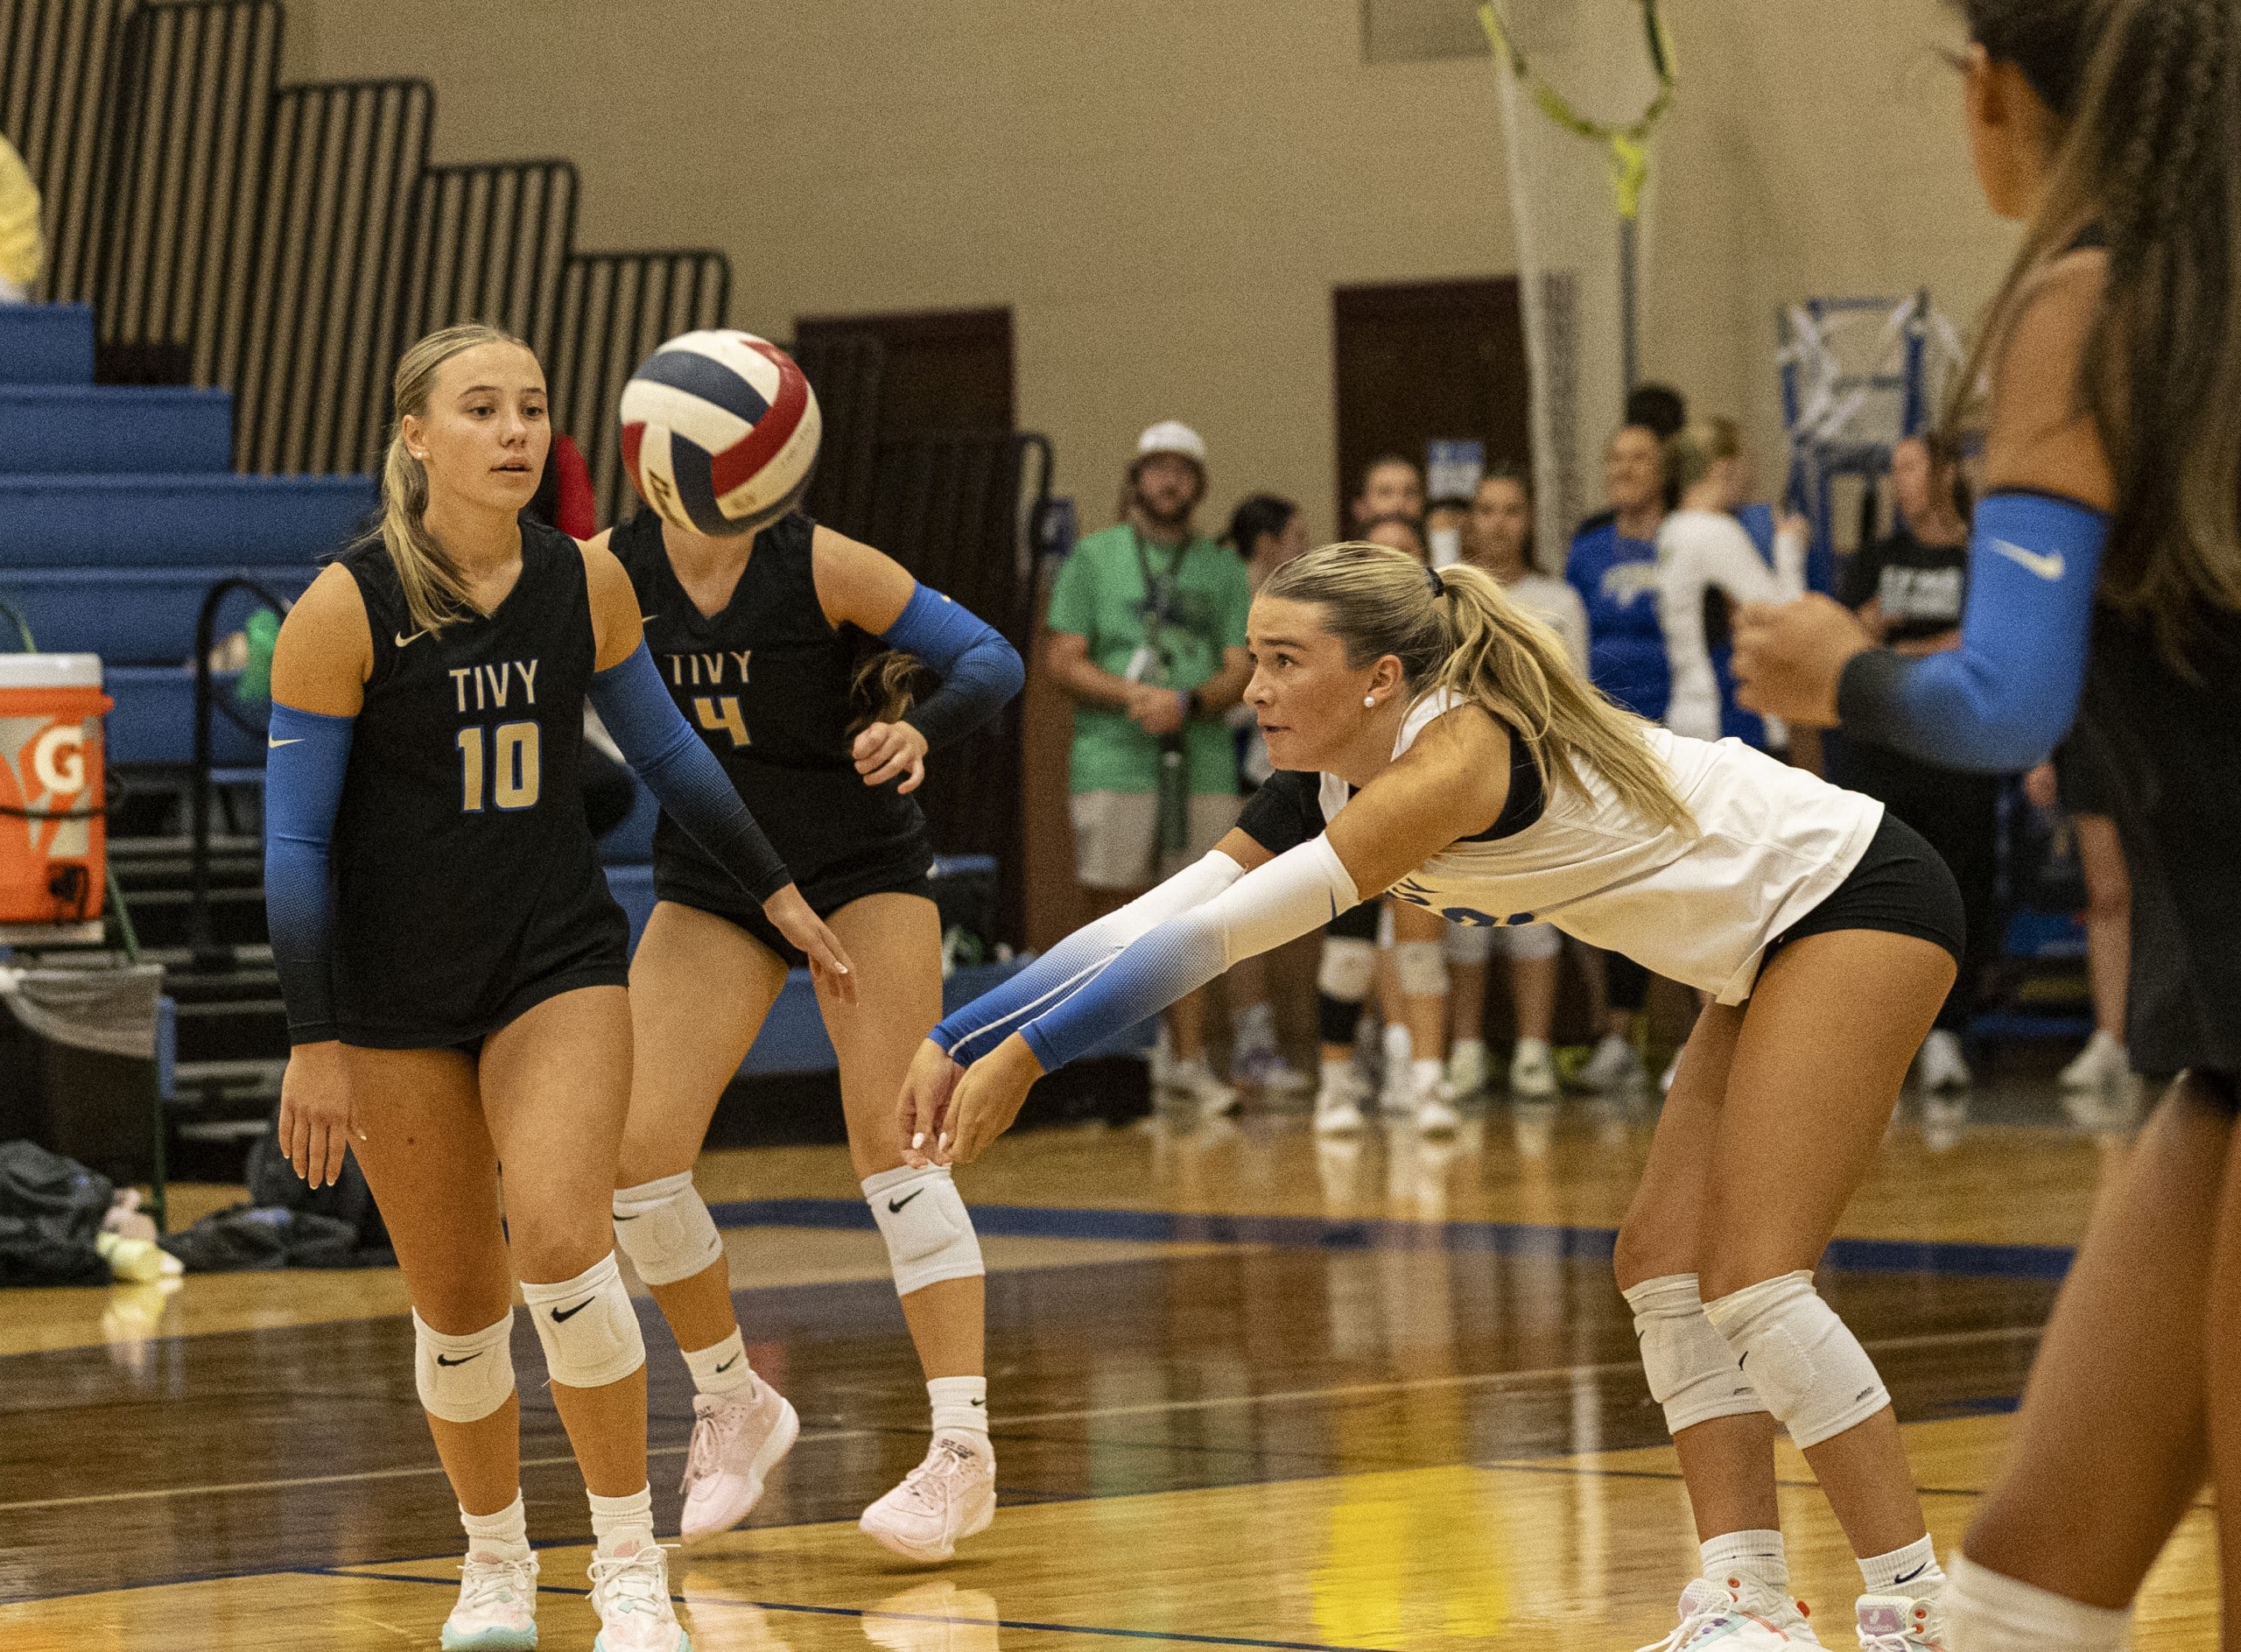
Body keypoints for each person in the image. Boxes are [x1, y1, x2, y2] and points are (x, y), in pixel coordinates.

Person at [906, 543, 1965, 1651]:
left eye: (1284, 660)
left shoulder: (1455, 757)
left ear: (1379, 678)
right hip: (1757, 943)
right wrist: (956, 1033)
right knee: (1661, 1265)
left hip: (1850, 895)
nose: (1253, 687)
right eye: (1252, 658)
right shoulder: (1321, 779)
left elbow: (1211, 942)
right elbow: (1149, 918)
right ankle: (1748, 1607)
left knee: (1752, 1279)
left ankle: (1919, 1612)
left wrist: (1028, 1056)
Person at [1732, 3, 2241, 1643]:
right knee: (2018, 1599)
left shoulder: (2091, 300)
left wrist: (1843, 669)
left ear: (2003, 92)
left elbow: (2005, 700)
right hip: (2222, 1045)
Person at [265, 323, 852, 1652]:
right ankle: (494, 1565)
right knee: (457, 1310)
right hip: (395, 993)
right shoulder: (342, 608)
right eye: (482, 408)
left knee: (561, 1243)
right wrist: (314, 1039)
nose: (516, 430)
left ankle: (628, 1562)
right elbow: (294, 846)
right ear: (416, 436)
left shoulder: (585, 578)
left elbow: (671, 754)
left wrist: (773, 888)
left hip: (553, 960)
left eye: (531, 406)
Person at [594, 404, 1023, 1560]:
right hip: (718, 876)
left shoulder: (822, 562)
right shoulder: (605, 571)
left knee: (899, 1146)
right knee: (633, 1160)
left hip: (857, 868)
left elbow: (992, 658)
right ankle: (732, 1398)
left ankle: (963, 1449)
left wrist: (923, 729)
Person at [1043, 421, 1254, 1114]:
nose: (1170, 481)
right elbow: (1063, 659)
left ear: (1200, 486)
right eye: (1158, 468)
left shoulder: (1223, 570)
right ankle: (1117, 1062)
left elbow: (1241, 666)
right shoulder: (1093, 558)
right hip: (1114, 759)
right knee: (1113, 909)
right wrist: (1134, 696)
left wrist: (1187, 702)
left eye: (1183, 470)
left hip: (1202, 763)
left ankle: (1187, 1062)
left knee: (1194, 914)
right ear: (1135, 479)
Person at [1833, 433, 2000, 1093]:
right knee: (1881, 886)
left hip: (1958, 747)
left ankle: (1948, 1032)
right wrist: (1872, 627)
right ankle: (1883, 1034)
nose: (1900, 479)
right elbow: (1844, 643)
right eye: (1895, 468)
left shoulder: (1980, 557)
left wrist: (1905, 654)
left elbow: (1982, 643)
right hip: (1883, 751)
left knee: (1963, 881)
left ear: (1946, 472)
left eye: (1912, 465)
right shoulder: (1876, 558)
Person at [1445, 466, 1590, 1100]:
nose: (1498, 523)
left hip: (1537, 774)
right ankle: (1465, 1049)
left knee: (1534, 913)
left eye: (1510, 510)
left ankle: (1533, 1051)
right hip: (1462, 778)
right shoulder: (1450, 594)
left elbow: (1578, 694)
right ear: (1470, 521)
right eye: (1486, 510)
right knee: (1464, 915)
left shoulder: (1560, 600)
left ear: (1528, 521)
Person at [1566, 424, 1670, 1091]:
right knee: (1615, 883)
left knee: (1675, 880)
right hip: (1607, 733)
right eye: (1616, 458)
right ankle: (1616, 1033)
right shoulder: (1587, 551)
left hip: (1678, 729)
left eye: (1640, 457)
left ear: (1664, 470)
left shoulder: (1686, 538)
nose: (1625, 469)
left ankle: (1693, 1036)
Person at [1217, 493, 1313, 1095]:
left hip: (1299, 776)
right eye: (1298, 535)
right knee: (1241, 914)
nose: (1307, 546)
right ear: (1266, 543)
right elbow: (1230, 691)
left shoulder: (1302, 609)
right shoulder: (1242, 605)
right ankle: (1251, 1045)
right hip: (1244, 781)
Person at [2024, 746, 2132, 1093]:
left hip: (2191, 734)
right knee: (2106, 892)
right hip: (2096, 740)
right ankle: (2111, 1040)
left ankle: (2196, 1041)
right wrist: (2043, 754)